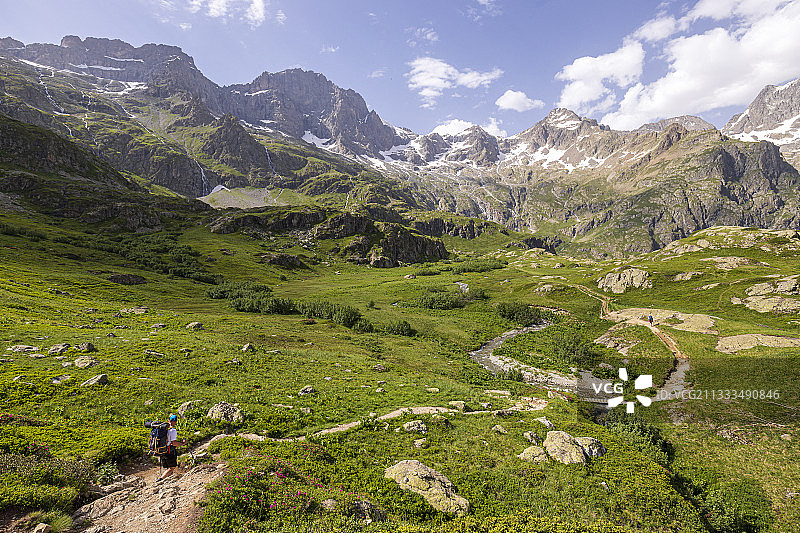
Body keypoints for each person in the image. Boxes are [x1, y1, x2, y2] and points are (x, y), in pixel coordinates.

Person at [158, 414, 185, 481]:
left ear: (168, 420)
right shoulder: (173, 430)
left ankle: (167, 480)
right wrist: (183, 443)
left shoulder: (164, 429)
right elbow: (173, 443)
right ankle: (160, 480)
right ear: (175, 421)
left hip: (162, 449)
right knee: (172, 467)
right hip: (169, 450)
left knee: (168, 467)